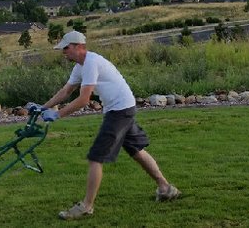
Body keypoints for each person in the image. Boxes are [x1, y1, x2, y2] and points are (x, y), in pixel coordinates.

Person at [37, 30, 180, 220]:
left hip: (120, 110)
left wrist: (57, 114)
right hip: (122, 107)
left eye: (66, 48)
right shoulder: (80, 66)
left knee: (96, 157)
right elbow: (65, 91)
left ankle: (87, 206)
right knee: (135, 149)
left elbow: (83, 99)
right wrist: (42, 108)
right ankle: (165, 188)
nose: (63, 52)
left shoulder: (91, 63)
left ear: (79, 47)